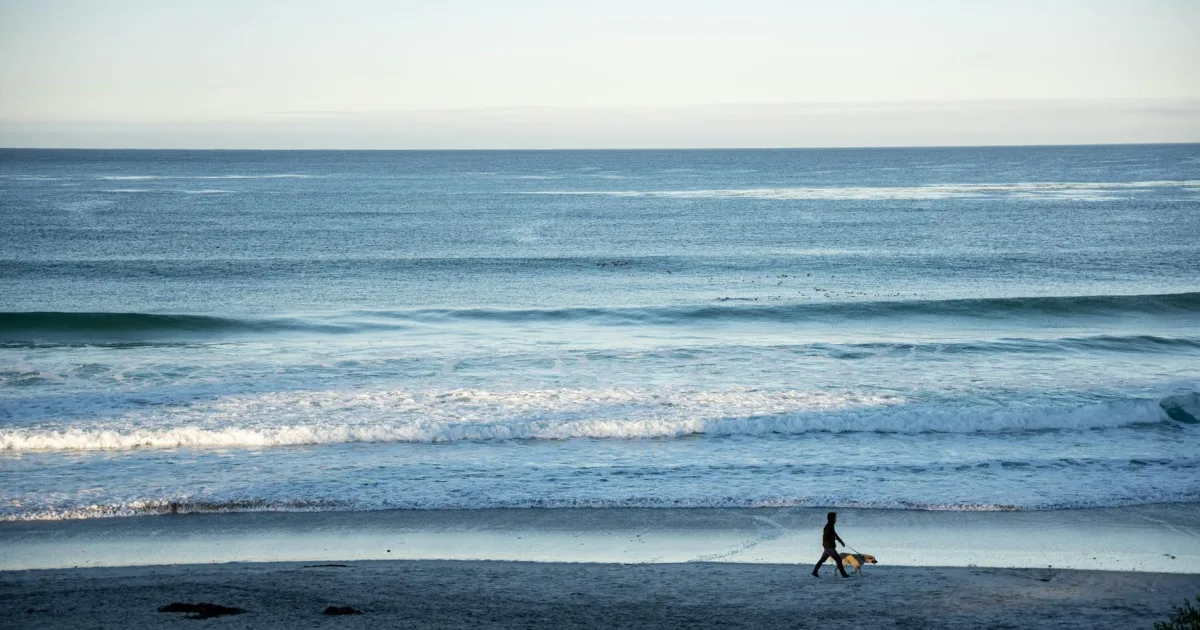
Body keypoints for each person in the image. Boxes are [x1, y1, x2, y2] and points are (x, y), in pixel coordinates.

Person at [811, 511, 850, 578]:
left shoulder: (831, 525)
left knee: (822, 560)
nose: (836, 519)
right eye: (835, 517)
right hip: (829, 547)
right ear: (832, 518)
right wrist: (832, 537)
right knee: (838, 560)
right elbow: (825, 535)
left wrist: (840, 541)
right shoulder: (828, 526)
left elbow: (834, 533)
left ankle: (814, 572)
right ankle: (844, 575)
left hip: (828, 547)